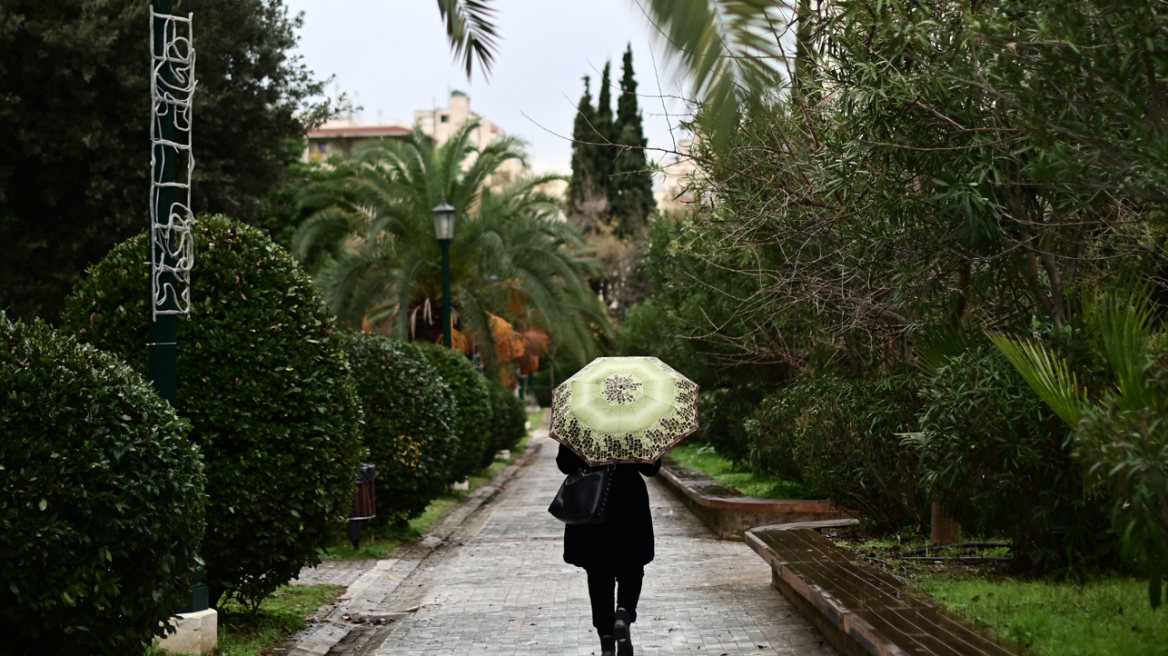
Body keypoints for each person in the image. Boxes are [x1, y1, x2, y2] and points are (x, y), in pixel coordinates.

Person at [557, 443, 662, 656]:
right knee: (632, 567)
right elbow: (651, 468)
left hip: (592, 503)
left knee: (598, 575)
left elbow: (565, 464)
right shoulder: (635, 423)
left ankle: (606, 641)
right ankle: (623, 614)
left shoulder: (581, 419)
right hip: (629, 503)